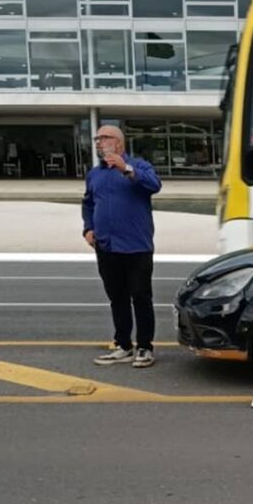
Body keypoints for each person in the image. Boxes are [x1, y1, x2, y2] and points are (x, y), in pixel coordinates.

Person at [81, 125, 162, 368]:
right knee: (117, 298)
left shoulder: (139, 166)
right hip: (106, 246)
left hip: (136, 246)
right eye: (96, 139)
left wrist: (125, 168)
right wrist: (88, 228)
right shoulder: (95, 174)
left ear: (118, 142)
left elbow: (154, 185)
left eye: (103, 138)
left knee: (141, 296)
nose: (98, 142)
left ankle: (145, 347)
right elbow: (88, 203)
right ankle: (123, 345)